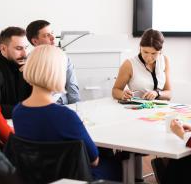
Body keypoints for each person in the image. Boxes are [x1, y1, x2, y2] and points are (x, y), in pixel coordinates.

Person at [12, 45, 120, 181]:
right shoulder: (66, 116)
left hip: (36, 177)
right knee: (118, 163)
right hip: (73, 179)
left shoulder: (18, 112)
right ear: (57, 73)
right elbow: (94, 160)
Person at [26, 20, 80, 104]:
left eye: (52, 33)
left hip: (64, 105)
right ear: (35, 41)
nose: (52, 38)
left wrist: (76, 108)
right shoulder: (29, 62)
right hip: (40, 107)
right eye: (47, 35)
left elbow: (72, 86)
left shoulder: (63, 57)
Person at [112, 28, 171, 100]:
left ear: (160, 50)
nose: (149, 58)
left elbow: (169, 93)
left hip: (160, 109)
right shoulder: (129, 64)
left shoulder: (164, 60)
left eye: (154, 53)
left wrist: (157, 93)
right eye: (145, 52)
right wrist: (123, 94)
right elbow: (115, 90)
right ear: (140, 47)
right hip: (138, 108)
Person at [0, 27, 32, 119]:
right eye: (19, 48)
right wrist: (30, 110)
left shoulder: (28, 68)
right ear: (3, 49)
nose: (25, 54)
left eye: (26, 48)